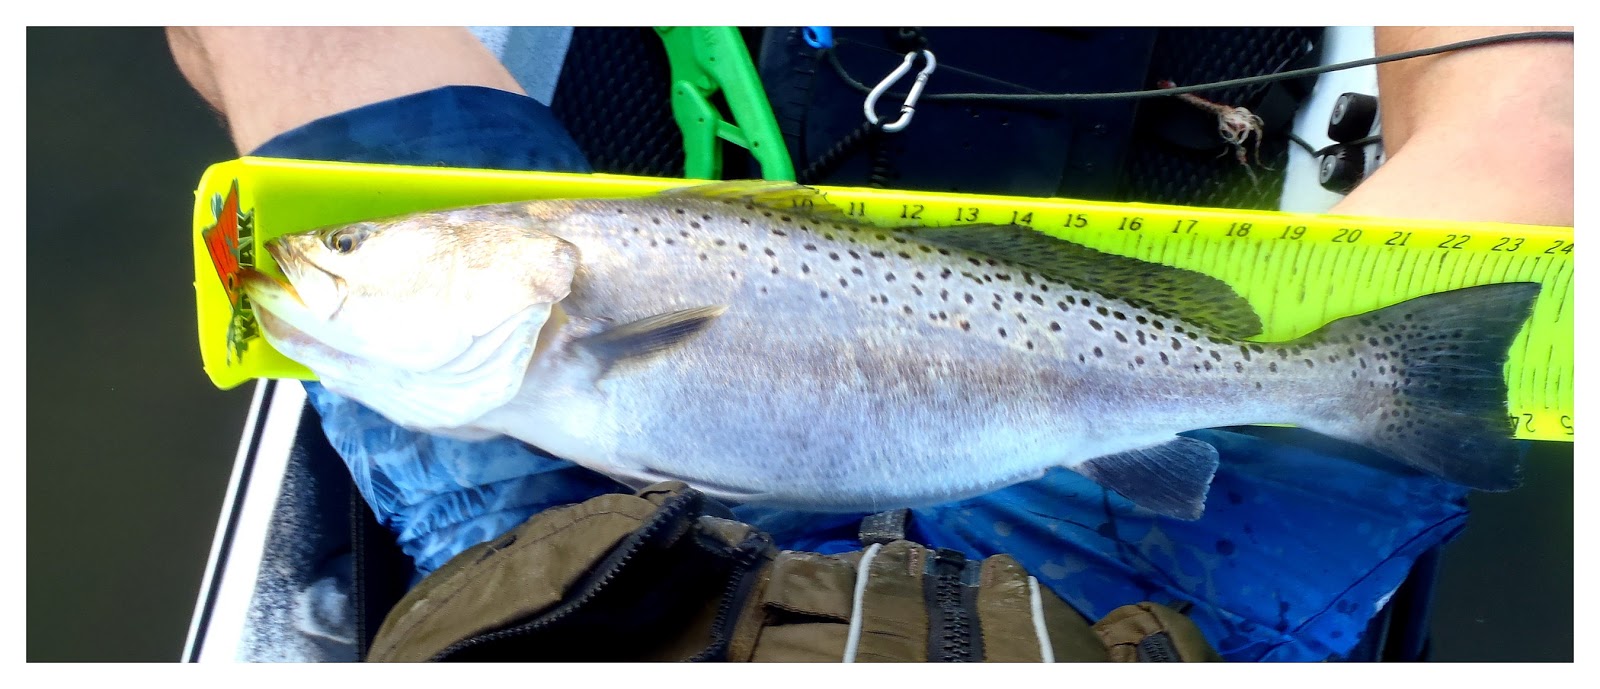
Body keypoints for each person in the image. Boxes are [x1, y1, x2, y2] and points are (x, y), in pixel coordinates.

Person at [166, 26, 1573, 662]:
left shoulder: (550, 310)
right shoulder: (551, 295)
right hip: (1121, 612)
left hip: (568, 595)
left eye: (342, 251)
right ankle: (1354, 385)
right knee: (1543, 138)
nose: (319, 259)